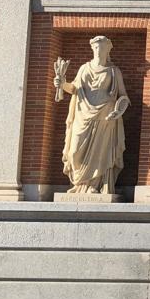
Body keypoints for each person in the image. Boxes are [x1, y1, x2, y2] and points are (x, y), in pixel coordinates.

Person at [54, 35, 130, 195]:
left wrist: (119, 110)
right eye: (96, 47)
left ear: (108, 49)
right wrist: (62, 84)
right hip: (82, 115)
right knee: (74, 151)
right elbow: (74, 89)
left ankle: (94, 186)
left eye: (101, 47)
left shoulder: (114, 71)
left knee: (100, 153)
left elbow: (123, 96)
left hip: (105, 117)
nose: (98, 50)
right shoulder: (84, 68)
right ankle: (79, 184)